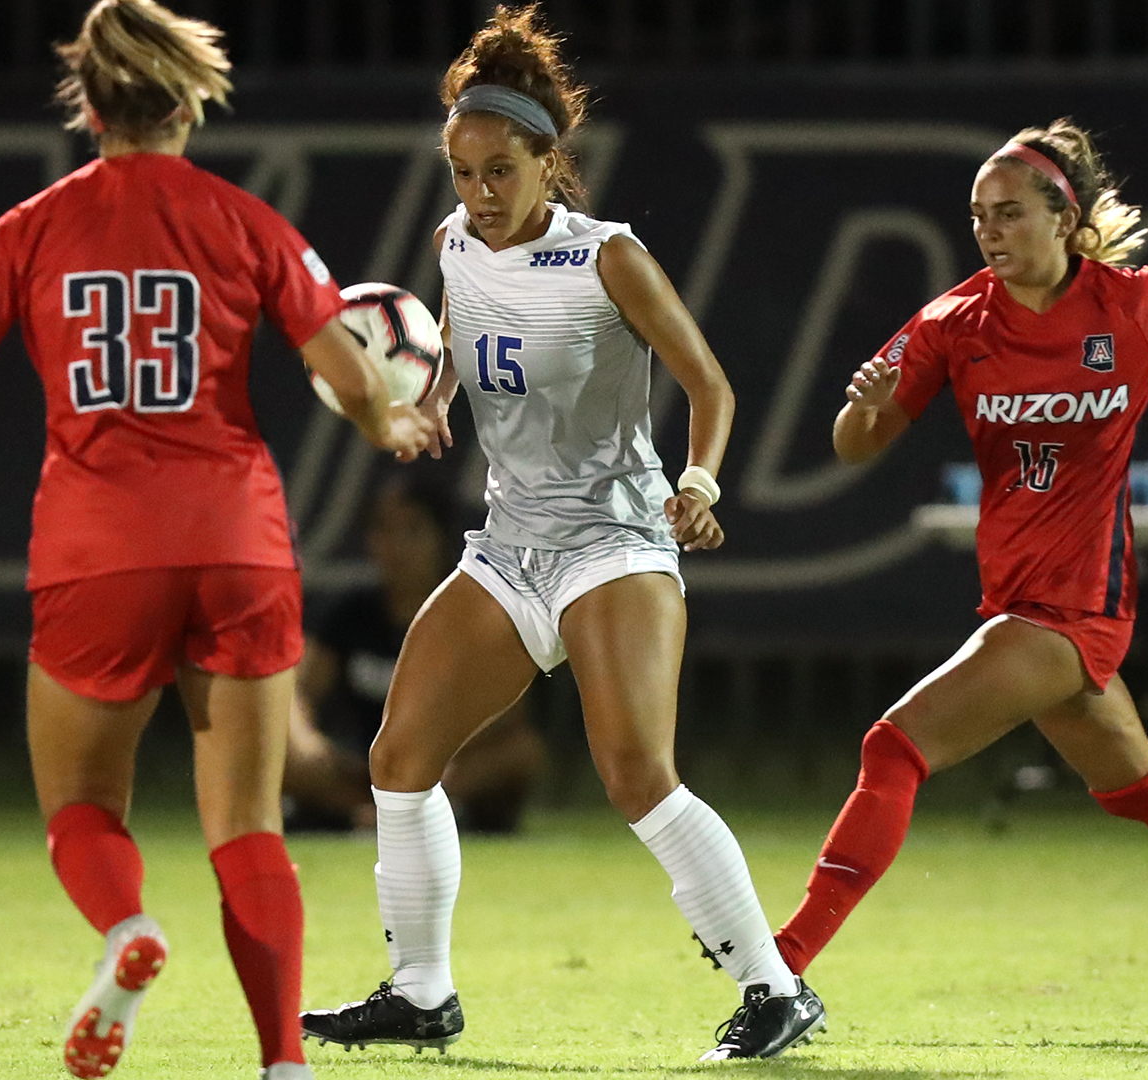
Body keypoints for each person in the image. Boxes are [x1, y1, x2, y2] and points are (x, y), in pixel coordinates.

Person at [0, 3, 433, 1078]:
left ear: (87, 106)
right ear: (188, 103)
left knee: (81, 809)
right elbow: (350, 369)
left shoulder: (32, 227)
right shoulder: (243, 220)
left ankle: (128, 936)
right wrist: (387, 418)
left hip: (98, 549)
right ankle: (282, 1064)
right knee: (249, 830)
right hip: (236, 541)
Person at [299, 4, 825, 1061]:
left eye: (500, 171)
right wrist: (434, 391)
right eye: (463, 173)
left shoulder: (609, 259)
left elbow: (708, 383)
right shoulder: (456, 244)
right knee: (398, 758)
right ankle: (421, 990)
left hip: (616, 540)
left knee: (635, 771)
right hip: (508, 546)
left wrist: (703, 478)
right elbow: (461, 330)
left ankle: (774, 988)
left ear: (550, 161)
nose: (480, 196)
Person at [773, 117, 1148, 1009]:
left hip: (1077, 608)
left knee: (895, 746)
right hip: (1019, 599)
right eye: (977, 217)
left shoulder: (1138, 302)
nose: (989, 231)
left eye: (1008, 214)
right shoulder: (954, 321)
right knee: (1140, 790)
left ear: (1065, 220)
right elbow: (853, 446)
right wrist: (865, 412)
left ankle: (782, 967)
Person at [284, 470, 548, 834]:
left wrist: (449, 762)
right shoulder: (350, 613)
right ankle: (369, 816)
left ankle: (419, 812)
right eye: (383, 531)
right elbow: (296, 692)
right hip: (364, 768)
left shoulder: (470, 614)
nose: (395, 546)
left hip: (446, 767)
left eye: (412, 531)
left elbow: (511, 720)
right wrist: (307, 741)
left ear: (440, 538)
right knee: (282, 749)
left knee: (521, 754)